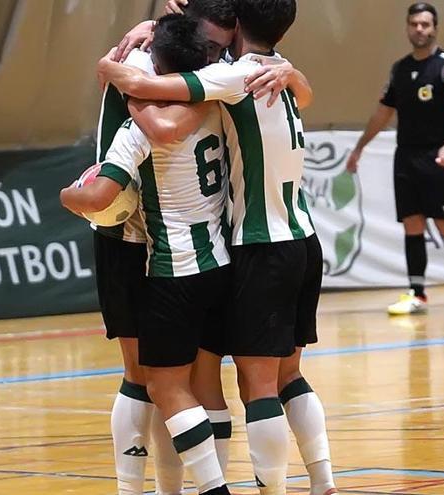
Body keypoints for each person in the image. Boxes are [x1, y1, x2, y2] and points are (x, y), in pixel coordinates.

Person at [96, 1, 337, 494]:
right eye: (206, 44)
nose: (211, 53)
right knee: (172, 378)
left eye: (220, 44)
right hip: (156, 236)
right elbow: (304, 93)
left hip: (228, 247)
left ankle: (242, 487)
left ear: (237, 32)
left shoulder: (229, 73)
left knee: (217, 382)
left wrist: (105, 66)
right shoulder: (252, 66)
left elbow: (161, 118)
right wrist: (291, 73)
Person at [64, 14, 233, 495]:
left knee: (164, 381)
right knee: (151, 376)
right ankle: (141, 490)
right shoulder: (202, 73)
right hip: (133, 233)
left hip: (162, 244)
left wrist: (66, 196)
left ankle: (173, 490)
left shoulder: (157, 65)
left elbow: (155, 122)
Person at [346, 2, 444, 315]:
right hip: (406, 156)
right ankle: (417, 293)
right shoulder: (400, 69)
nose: (420, 29)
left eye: (425, 24)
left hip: (439, 156)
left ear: (434, 28)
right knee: (412, 223)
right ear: (408, 27)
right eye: (414, 24)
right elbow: (383, 112)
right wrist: (359, 147)